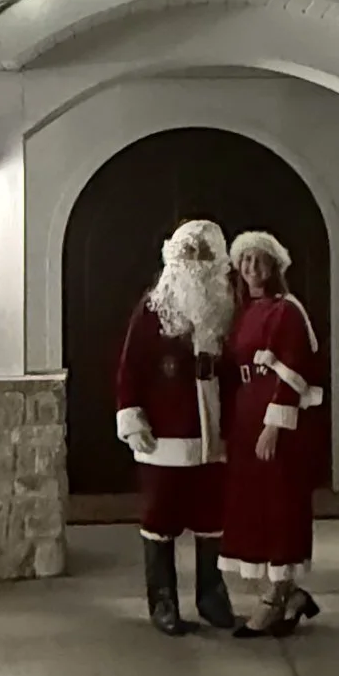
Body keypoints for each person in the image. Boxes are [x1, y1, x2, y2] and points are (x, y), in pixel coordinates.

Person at [114, 216, 237, 636]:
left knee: (211, 517)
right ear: (174, 256)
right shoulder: (152, 309)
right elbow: (129, 370)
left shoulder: (227, 307)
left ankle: (212, 595)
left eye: (205, 253)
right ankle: (162, 600)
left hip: (213, 435)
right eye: (189, 252)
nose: (196, 261)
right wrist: (131, 419)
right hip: (163, 435)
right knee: (160, 518)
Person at [221, 230, 326, 636]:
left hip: (277, 422)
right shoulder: (246, 311)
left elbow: (295, 369)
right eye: (245, 260)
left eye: (259, 260)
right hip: (247, 416)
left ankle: (276, 594)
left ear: (275, 266)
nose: (251, 268)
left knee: (280, 504)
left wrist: (272, 426)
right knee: (257, 507)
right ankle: (290, 595)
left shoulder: (287, 312)